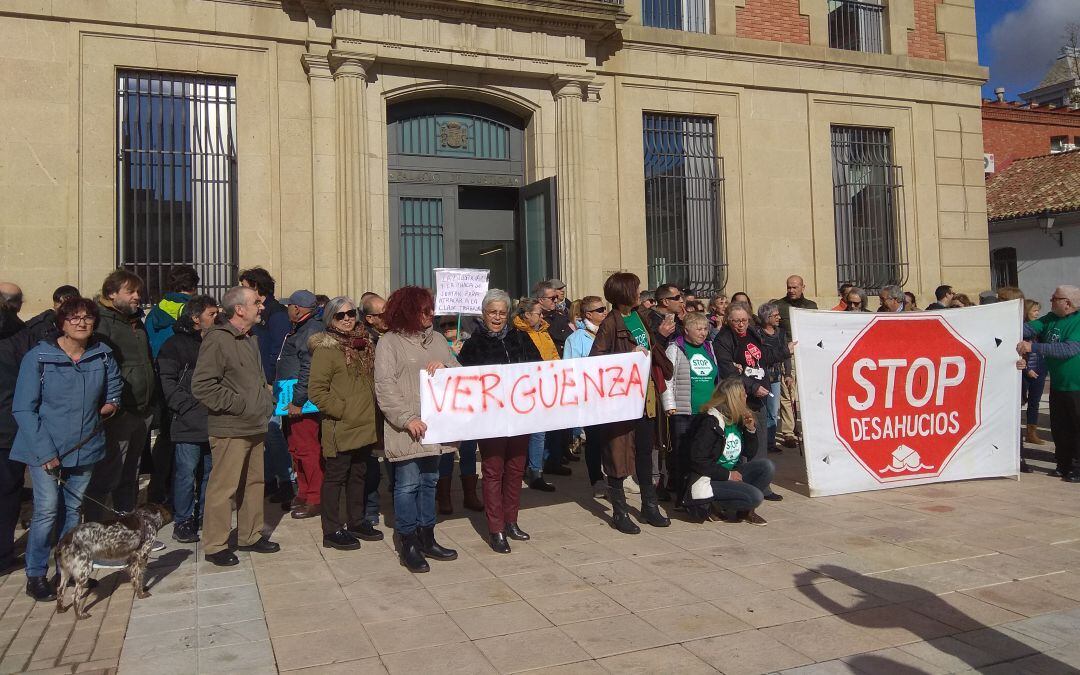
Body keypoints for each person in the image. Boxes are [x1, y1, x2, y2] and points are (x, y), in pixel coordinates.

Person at [12, 297, 122, 600]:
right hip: (44, 448)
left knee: (73, 511)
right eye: (73, 318)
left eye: (87, 317)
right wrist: (46, 453)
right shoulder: (39, 358)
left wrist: (112, 403)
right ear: (62, 322)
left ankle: (68, 570)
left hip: (85, 446)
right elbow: (23, 409)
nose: (81, 323)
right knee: (46, 511)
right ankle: (35, 574)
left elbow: (115, 385)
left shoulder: (102, 355)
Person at [373, 286, 459, 574]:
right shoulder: (390, 342)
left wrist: (446, 365)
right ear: (409, 310)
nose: (431, 314)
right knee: (407, 485)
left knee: (429, 482)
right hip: (407, 430)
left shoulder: (437, 339)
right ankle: (408, 542)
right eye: (424, 309)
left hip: (435, 427)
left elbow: (459, 371)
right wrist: (407, 419)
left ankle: (428, 536)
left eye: (431, 308)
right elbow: (384, 387)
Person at [191, 286, 280, 566]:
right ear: (239, 309)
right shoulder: (218, 340)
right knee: (223, 487)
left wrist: (265, 398)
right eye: (256, 302)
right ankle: (215, 544)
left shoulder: (250, 338)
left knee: (254, 483)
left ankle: (250, 535)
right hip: (230, 427)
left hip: (255, 424)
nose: (262, 306)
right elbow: (203, 386)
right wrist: (240, 404)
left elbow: (252, 379)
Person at [458, 290, 541, 553]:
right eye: (492, 312)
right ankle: (496, 529)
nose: (497, 317)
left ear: (508, 315)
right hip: (491, 418)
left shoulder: (521, 337)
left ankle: (511, 520)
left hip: (519, 416)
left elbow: (540, 368)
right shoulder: (473, 344)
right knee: (493, 472)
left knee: (516, 470)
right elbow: (463, 381)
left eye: (502, 313)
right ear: (483, 314)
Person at [590, 272, 674, 533]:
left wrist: (658, 336)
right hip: (622, 401)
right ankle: (620, 511)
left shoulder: (642, 317)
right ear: (624, 292)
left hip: (646, 397)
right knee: (617, 453)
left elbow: (649, 350)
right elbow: (597, 360)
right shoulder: (610, 323)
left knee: (644, 451)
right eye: (636, 289)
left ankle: (649, 507)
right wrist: (627, 355)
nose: (640, 293)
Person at [307, 296, 381, 551]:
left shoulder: (364, 344)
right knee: (336, 478)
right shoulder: (326, 349)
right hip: (341, 425)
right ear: (331, 319)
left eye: (351, 313)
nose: (348, 318)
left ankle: (356, 521)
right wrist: (343, 410)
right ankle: (331, 530)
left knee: (359, 475)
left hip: (364, 424)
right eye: (341, 315)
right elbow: (316, 391)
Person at [85, 269, 155, 522]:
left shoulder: (136, 321)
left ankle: (127, 526)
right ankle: (97, 528)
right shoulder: (101, 323)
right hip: (118, 413)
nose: (138, 296)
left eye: (139, 291)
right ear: (111, 293)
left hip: (141, 409)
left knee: (131, 473)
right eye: (131, 291)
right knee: (109, 473)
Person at [712, 302, 790, 501]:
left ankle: (763, 486)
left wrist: (785, 351)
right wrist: (752, 386)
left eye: (744, 320)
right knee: (743, 443)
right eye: (736, 321)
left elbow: (763, 358)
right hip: (739, 398)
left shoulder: (753, 333)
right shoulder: (723, 339)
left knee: (760, 441)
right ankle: (744, 486)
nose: (741, 325)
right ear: (728, 320)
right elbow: (728, 371)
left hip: (760, 396)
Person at [158, 295, 218, 543]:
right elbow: (167, 382)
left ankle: (205, 515)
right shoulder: (174, 345)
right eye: (211, 314)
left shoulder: (217, 342)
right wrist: (186, 406)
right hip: (187, 420)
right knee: (185, 472)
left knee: (210, 473)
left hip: (214, 418)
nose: (217, 318)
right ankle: (183, 520)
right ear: (196, 319)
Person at [684, 376, 776, 525]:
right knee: (756, 497)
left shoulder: (737, 418)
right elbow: (698, 460)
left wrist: (750, 430)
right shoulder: (710, 421)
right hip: (710, 478)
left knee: (766, 466)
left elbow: (750, 453)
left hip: (730, 473)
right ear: (733, 398)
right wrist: (727, 475)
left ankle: (745, 512)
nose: (747, 396)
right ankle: (714, 504)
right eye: (743, 394)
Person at [239, 267, 294, 507]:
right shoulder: (251, 314)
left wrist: (271, 380)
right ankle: (270, 478)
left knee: (273, 432)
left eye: (245, 285)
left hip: (270, 383)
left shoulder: (276, 314)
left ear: (257, 288)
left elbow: (278, 351)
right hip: (256, 381)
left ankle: (286, 480)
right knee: (265, 433)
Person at [1018, 286, 1080, 481]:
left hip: (1076, 386)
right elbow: (1028, 328)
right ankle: (1063, 464)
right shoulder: (1050, 318)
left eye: (1055, 298)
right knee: (1060, 427)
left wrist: (1033, 346)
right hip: (1059, 385)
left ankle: (1077, 467)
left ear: (1067, 303)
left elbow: (1068, 349)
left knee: (1077, 427)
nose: (1051, 300)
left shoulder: (1077, 321)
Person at [276, 290, 324, 520]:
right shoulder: (301, 328)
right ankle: (304, 491)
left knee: (307, 449)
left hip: (303, 403)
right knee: (296, 448)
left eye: (289, 306)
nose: (287, 309)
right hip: (292, 399)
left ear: (297, 308)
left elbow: (309, 367)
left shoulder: (310, 330)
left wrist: (297, 400)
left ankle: (314, 497)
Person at [661, 312, 718, 505]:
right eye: (699, 329)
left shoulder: (709, 347)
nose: (703, 333)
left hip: (707, 412)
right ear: (686, 330)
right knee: (682, 454)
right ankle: (680, 495)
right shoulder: (675, 349)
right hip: (684, 412)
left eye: (705, 329)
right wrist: (669, 404)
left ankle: (698, 492)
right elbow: (668, 380)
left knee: (703, 453)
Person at [513, 298, 567, 491]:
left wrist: (556, 370)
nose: (542, 316)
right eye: (538, 313)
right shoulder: (516, 333)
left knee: (539, 432)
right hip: (523, 388)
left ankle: (536, 472)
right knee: (523, 433)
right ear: (527, 315)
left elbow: (553, 355)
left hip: (544, 386)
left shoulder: (544, 332)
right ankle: (519, 469)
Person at [563, 296, 609, 498]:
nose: (604, 312)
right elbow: (569, 369)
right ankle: (596, 479)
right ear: (588, 314)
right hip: (590, 397)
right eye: (600, 310)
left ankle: (615, 476)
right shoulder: (576, 339)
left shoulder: (610, 331)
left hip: (611, 395)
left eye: (605, 308)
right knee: (595, 440)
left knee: (612, 440)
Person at [434, 317, 480, 514]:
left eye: (451, 324)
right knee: (446, 452)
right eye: (443, 324)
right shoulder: (435, 345)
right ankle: (444, 497)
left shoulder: (470, 344)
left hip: (467, 405)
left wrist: (463, 356)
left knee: (468, 450)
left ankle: (470, 495)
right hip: (446, 407)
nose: (447, 328)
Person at [0, 289, 30, 573]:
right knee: (8, 494)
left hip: (8, 424)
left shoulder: (19, 335)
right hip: (9, 427)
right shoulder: (21, 336)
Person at [360, 293, 390, 535]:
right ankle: (369, 508)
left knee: (395, 459)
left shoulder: (395, 335)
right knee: (370, 463)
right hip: (368, 410)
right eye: (382, 314)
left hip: (392, 408)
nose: (387, 317)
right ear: (369, 318)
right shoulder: (361, 340)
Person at [757, 302, 790, 454]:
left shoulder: (781, 333)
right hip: (760, 377)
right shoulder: (757, 333)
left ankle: (769, 442)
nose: (778, 318)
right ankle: (759, 442)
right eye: (775, 315)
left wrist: (788, 374)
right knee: (759, 409)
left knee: (773, 410)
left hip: (776, 377)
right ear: (766, 317)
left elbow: (786, 355)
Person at [146, 265, 200, 358]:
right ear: (194, 287)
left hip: (159, 364)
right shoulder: (195, 310)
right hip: (186, 366)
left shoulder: (155, 311)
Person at [1022, 299, 1048, 447]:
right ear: (1027, 311)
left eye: (1038, 310)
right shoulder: (1021, 329)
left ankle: (1031, 433)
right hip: (1025, 371)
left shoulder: (1041, 328)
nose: (1037, 313)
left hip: (1040, 370)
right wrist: (1027, 370)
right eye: (1034, 310)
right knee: (1019, 402)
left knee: (1034, 403)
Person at [534, 281, 573, 353]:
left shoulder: (562, 319)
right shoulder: (531, 320)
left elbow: (572, 341)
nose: (555, 300)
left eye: (556, 297)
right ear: (541, 300)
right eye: (552, 298)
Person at [648, 284, 684, 349]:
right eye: (677, 298)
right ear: (665, 302)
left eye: (681, 297)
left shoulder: (678, 317)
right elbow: (652, 350)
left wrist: (686, 322)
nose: (681, 301)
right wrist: (661, 336)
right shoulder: (650, 320)